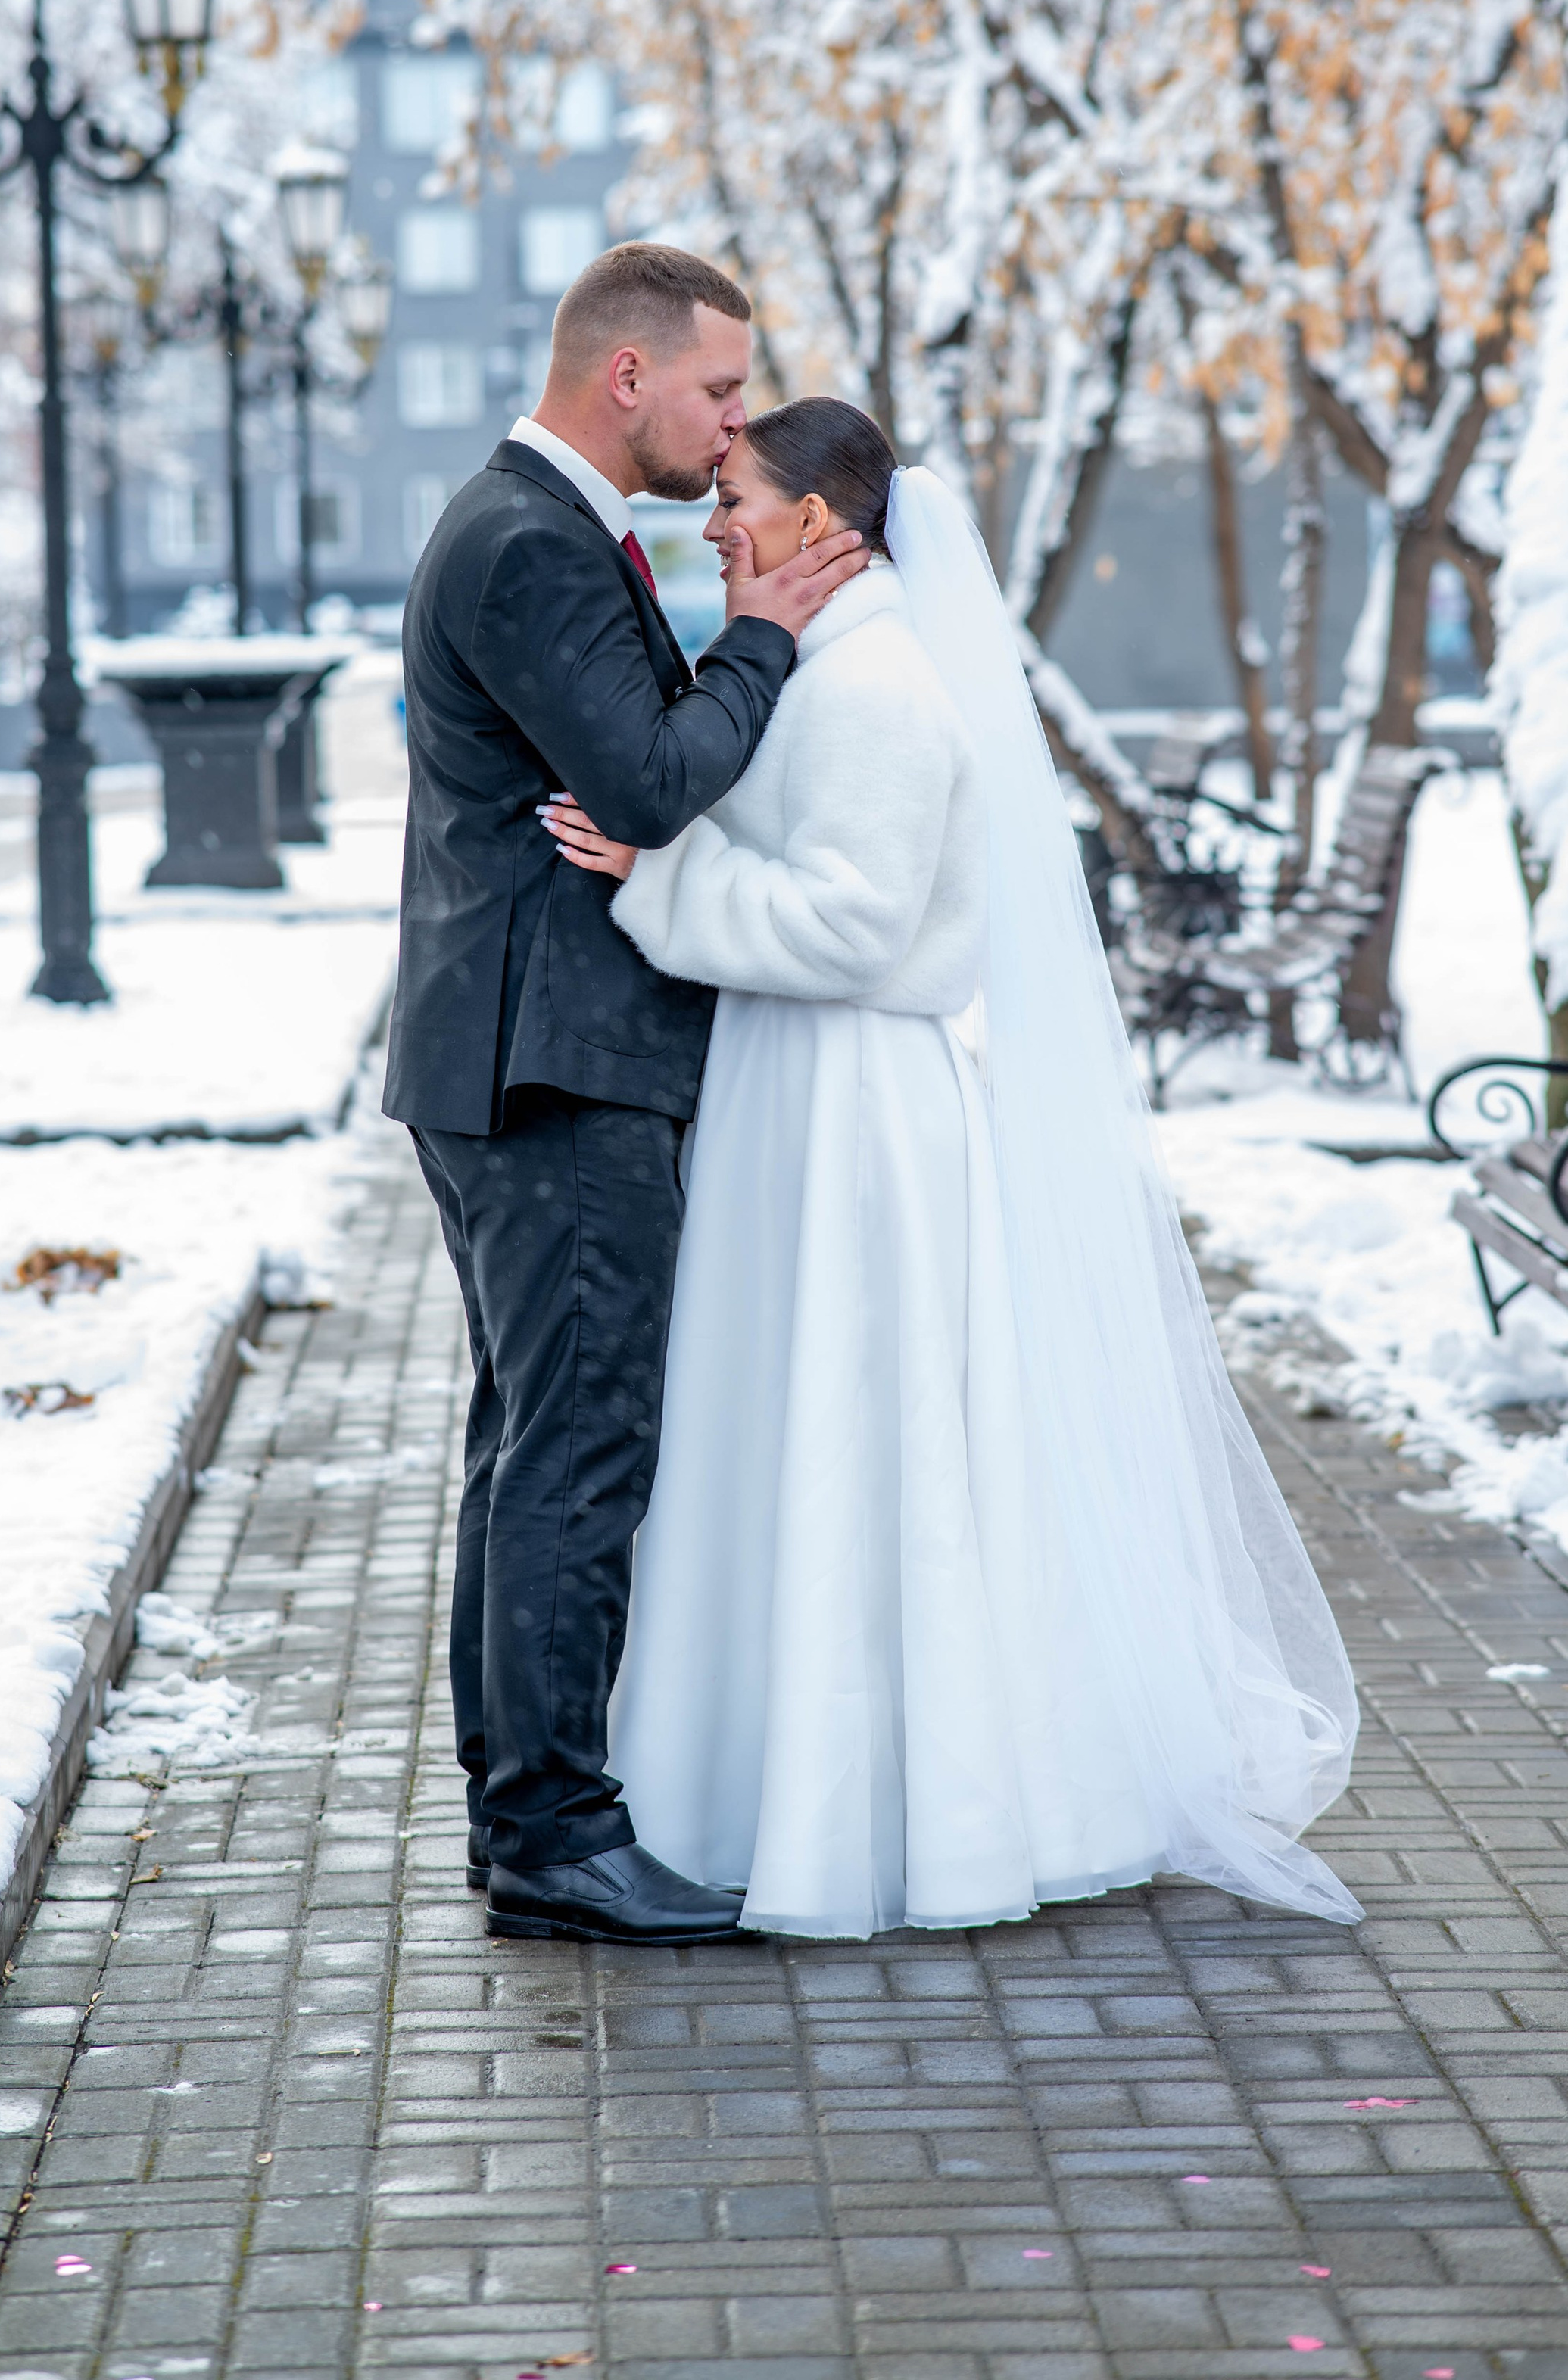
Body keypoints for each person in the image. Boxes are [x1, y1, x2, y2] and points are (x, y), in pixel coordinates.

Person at [543, 398, 1362, 1937]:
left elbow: (852, 928)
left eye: (739, 495)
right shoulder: (826, 669)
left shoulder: (878, 692)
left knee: (863, 1438)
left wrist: (664, 872)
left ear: (826, 527)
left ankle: (894, 1806)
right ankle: (789, 1784)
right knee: (805, 1432)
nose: (712, 519)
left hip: (853, 1109)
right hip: (803, 1092)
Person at [383, 243, 870, 1946]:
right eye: (720, 389)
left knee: (527, 1446)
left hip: (519, 1053)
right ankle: (554, 1839)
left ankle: (522, 1817)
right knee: (576, 1450)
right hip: (552, 1061)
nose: (734, 420)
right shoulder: (526, 539)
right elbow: (654, 779)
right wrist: (759, 636)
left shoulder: (536, 524)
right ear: (626, 379)